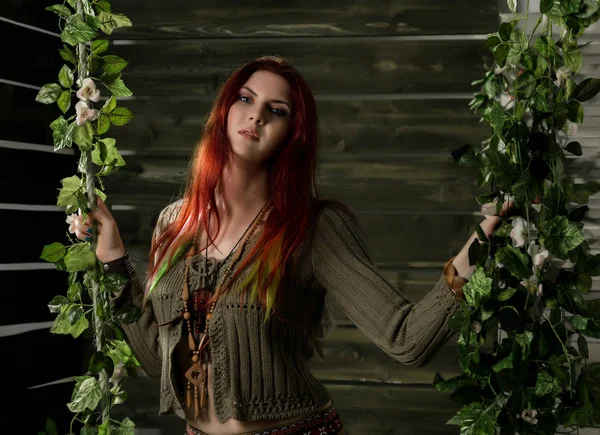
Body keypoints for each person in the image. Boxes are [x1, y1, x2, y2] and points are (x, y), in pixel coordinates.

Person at [70, 55, 511, 435]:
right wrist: (111, 255)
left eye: (275, 110)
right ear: (224, 110)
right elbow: (155, 360)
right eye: (245, 98)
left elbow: (407, 339)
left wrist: (484, 235)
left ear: (292, 133)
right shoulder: (174, 224)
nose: (256, 115)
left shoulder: (314, 229)